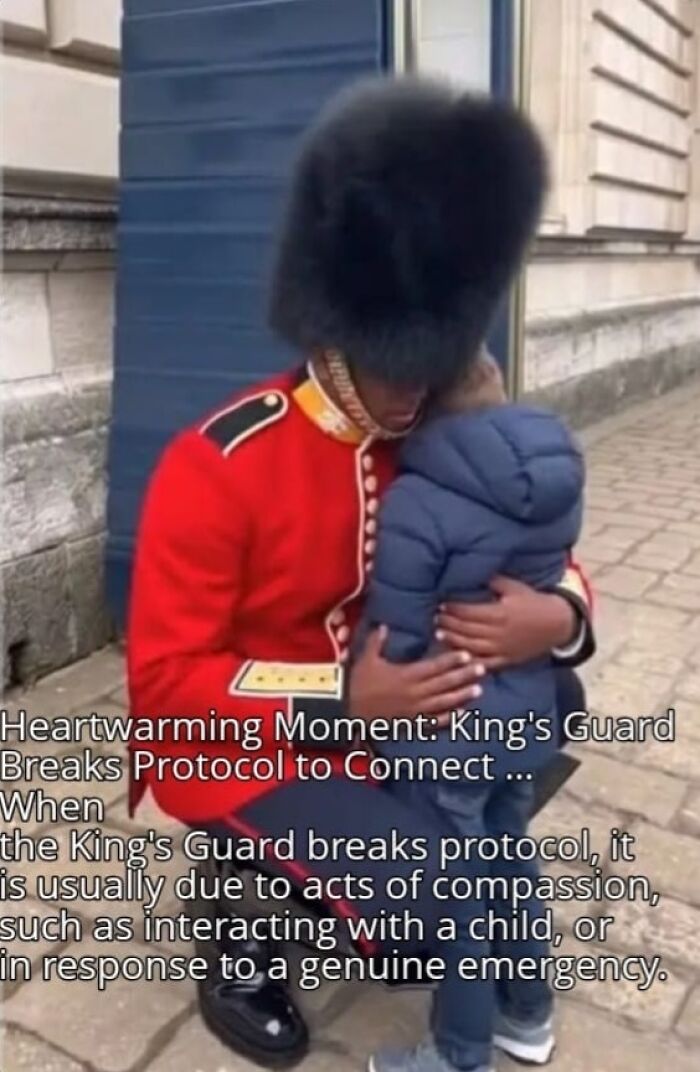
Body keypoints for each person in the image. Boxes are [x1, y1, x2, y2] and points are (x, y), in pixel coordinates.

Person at [126, 76, 595, 1070]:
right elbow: (166, 689)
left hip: (398, 710)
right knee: (429, 895)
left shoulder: (435, 415)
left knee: (556, 695)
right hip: (254, 739)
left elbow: (543, 553)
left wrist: (551, 618)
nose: (416, 391)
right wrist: (341, 703)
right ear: (336, 330)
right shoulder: (219, 463)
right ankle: (238, 930)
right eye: (398, 364)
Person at [358, 349, 584, 1071]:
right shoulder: (558, 470)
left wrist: (362, 698)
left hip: (444, 726)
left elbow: (396, 633)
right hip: (521, 718)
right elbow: (553, 578)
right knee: (511, 863)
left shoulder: (418, 499)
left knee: (453, 892)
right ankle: (528, 1014)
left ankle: (458, 1052)